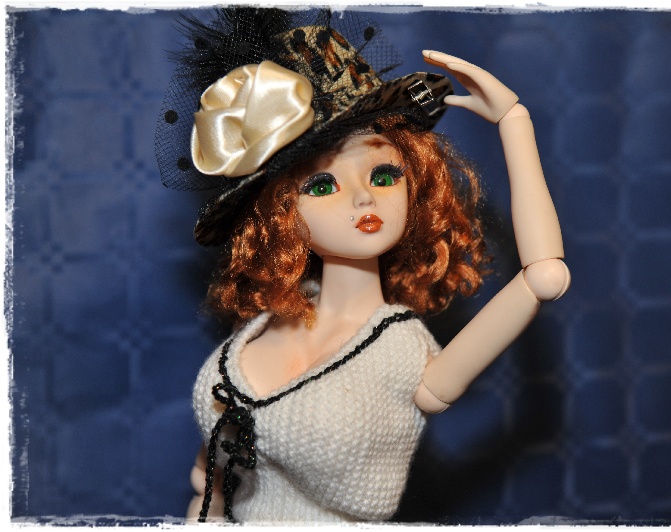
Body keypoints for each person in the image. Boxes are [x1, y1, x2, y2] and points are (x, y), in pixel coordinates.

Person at [154, 7, 570, 524]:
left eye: (384, 174)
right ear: (281, 213)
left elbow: (544, 275)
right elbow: (211, 478)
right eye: (322, 184)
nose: (363, 198)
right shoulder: (272, 319)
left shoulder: (399, 351)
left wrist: (515, 125)